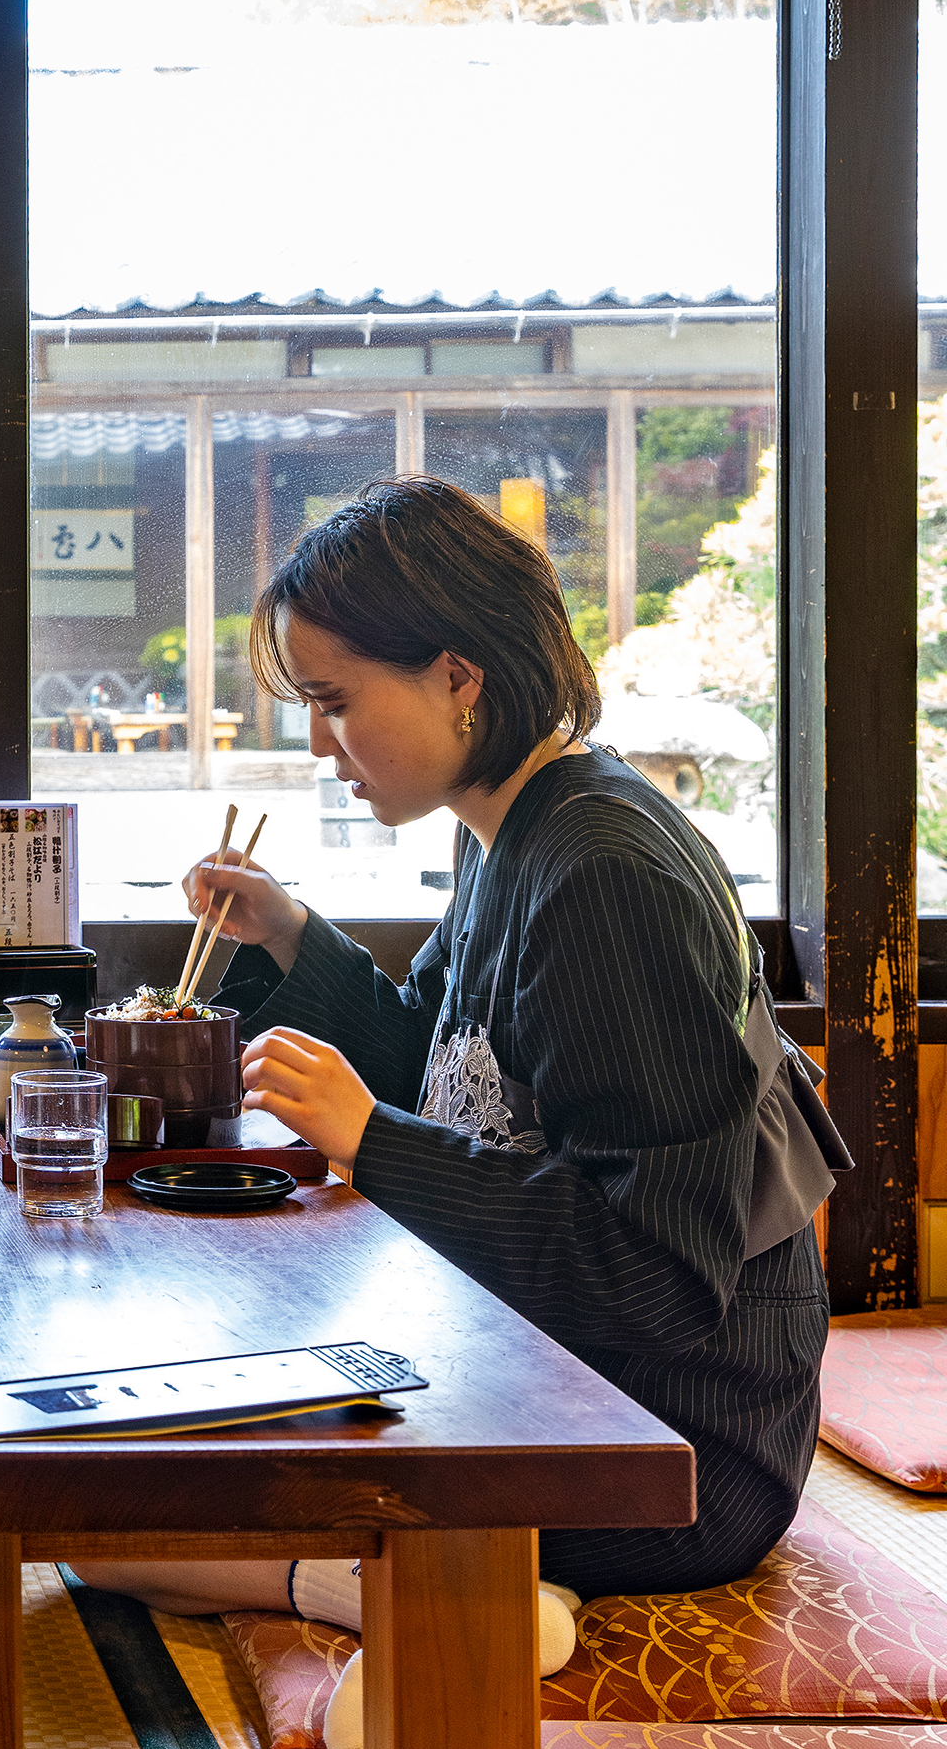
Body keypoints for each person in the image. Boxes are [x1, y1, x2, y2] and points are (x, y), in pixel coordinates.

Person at [75, 478, 839, 1741]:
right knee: (89, 1479)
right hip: (531, 1378)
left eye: (334, 700)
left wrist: (370, 1140)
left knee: (91, 1521)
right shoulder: (513, 830)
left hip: (668, 1447)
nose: (322, 744)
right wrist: (292, 932)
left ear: (456, 676)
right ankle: (439, 1585)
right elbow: (446, 1063)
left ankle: (443, 1593)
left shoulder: (605, 873)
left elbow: (652, 1274)